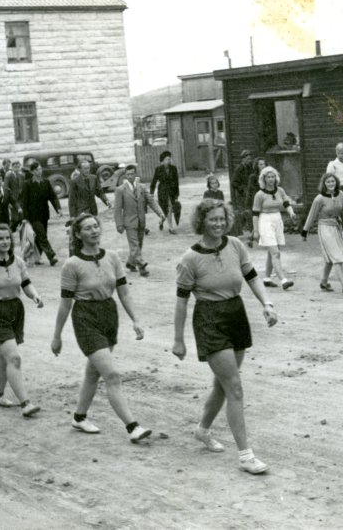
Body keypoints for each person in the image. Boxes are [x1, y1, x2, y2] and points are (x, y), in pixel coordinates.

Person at [173, 199, 278, 474]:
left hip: (236, 314)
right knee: (235, 387)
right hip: (209, 319)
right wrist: (178, 339)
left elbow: (252, 276)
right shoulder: (190, 259)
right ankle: (246, 455)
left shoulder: (235, 245)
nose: (218, 224)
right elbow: (182, 302)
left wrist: (266, 304)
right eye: (212, 220)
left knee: (223, 385)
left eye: (222, 219)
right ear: (202, 222)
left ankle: (203, 430)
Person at [51, 213, 151, 443]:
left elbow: (124, 291)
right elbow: (65, 303)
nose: (94, 231)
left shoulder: (113, 257)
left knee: (93, 372)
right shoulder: (72, 264)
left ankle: (79, 417)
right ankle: (132, 426)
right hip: (85, 317)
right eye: (87, 228)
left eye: (96, 226)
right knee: (112, 375)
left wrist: (135, 319)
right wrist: (57, 336)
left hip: (109, 313)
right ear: (78, 234)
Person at [0, 224, 43, 417]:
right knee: (14, 357)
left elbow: (26, 283)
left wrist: (35, 296)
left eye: (7, 238)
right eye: (0, 239)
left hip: (15, 310)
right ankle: (25, 403)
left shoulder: (18, 262)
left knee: (6, 356)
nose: (5, 242)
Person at [301, 172, 343, 295]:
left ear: (336, 182)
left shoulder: (341, 194)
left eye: (333, 181)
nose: (331, 184)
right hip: (325, 227)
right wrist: (305, 231)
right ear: (324, 184)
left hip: (336, 227)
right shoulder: (319, 198)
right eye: (328, 182)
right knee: (337, 256)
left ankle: (324, 282)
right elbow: (311, 216)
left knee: (331, 258)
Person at [113, 165, 165, 277]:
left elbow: (151, 201)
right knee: (135, 245)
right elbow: (117, 209)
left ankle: (131, 263)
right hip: (129, 222)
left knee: (139, 245)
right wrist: (119, 224)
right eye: (128, 174)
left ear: (135, 174)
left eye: (132, 174)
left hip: (141, 221)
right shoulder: (120, 190)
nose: (130, 176)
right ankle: (142, 266)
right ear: (125, 176)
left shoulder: (142, 187)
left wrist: (160, 213)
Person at [252, 166, 297, 290]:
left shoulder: (280, 191)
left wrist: (291, 213)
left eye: (272, 176)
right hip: (265, 221)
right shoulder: (259, 195)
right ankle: (283, 280)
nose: (271, 179)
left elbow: (286, 203)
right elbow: (255, 214)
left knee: (271, 252)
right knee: (275, 252)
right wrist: (255, 230)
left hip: (277, 220)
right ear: (264, 179)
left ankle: (266, 278)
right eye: (268, 177)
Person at [20, 162, 61, 266]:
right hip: (33, 216)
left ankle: (35, 258)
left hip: (44, 214)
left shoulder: (46, 182)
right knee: (42, 236)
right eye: (37, 169)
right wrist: (25, 217)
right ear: (33, 171)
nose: (40, 171)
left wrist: (58, 209)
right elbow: (24, 202)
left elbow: (52, 197)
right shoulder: (27, 184)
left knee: (40, 237)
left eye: (40, 169)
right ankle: (52, 256)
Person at [150, 151, 180, 233]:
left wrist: (177, 194)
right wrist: (151, 193)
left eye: (169, 159)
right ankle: (161, 221)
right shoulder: (158, 169)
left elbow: (176, 182)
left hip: (171, 191)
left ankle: (170, 227)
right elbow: (154, 181)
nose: (169, 161)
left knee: (170, 208)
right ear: (162, 161)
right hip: (162, 191)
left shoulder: (173, 168)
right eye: (167, 159)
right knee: (164, 210)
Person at [4, 160, 25, 232]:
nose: (17, 168)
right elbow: (6, 188)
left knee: (22, 219)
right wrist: (8, 202)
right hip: (13, 200)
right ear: (12, 167)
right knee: (15, 219)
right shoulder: (8, 176)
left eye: (18, 167)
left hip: (21, 199)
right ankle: (10, 232)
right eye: (15, 167)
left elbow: (23, 187)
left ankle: (22, 237)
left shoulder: (21, 175)